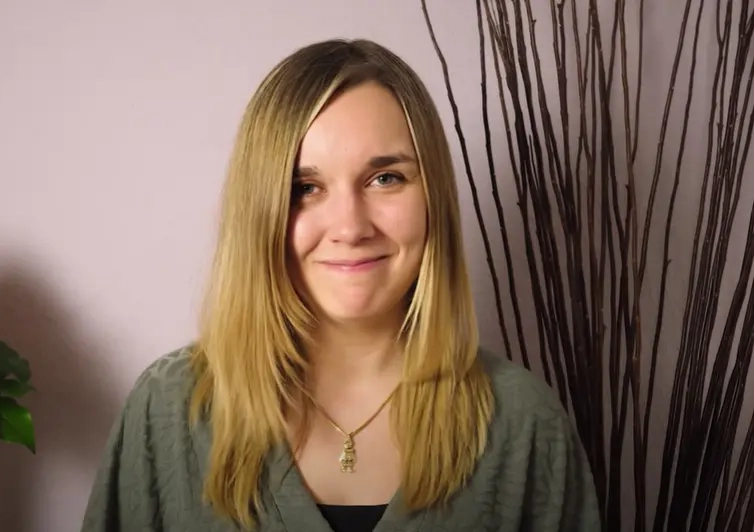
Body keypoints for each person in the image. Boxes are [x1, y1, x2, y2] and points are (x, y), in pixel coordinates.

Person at [80, 38, 602, 532]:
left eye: (385, 178)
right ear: (259, 210)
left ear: (433, 198)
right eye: (305, 188)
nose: (351, 228)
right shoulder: (168, 409)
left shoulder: (525, 425)